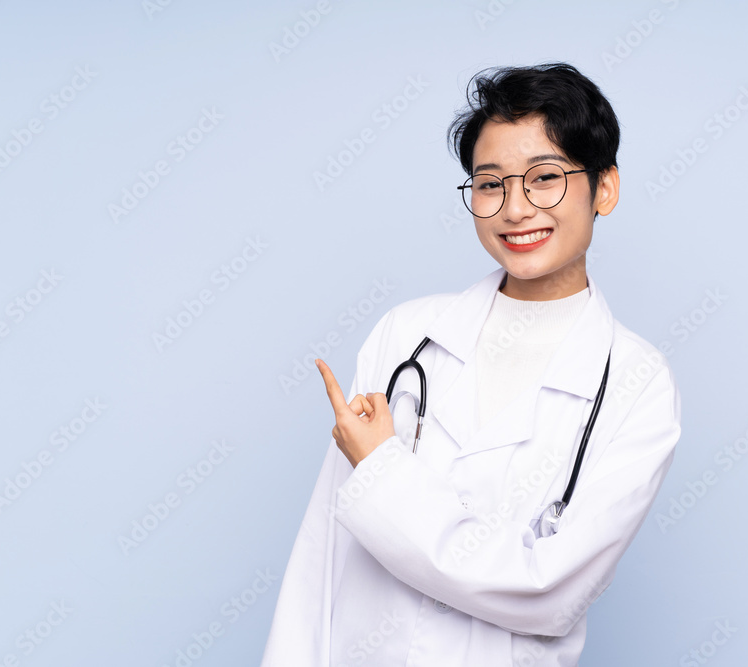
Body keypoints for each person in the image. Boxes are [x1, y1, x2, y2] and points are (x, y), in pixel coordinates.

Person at [260, 61, 681, 666]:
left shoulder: (638, 382)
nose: (515, 209)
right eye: (490, 184)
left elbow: (549, 593)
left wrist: (383, 473)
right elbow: (320, 557)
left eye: (545, 178)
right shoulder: (406, 337)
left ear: (605, 188)